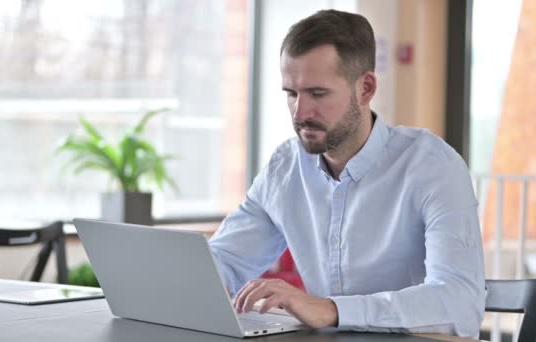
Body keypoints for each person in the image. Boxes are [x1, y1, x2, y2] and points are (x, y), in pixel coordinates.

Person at [208, 9, 485, 338]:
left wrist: (331, 310)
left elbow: (460, 304)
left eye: (318, 94)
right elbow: (225, 262)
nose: (301, 113)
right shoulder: (284, 167)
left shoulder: (432, 166)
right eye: (291, 94)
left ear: (366, 88)